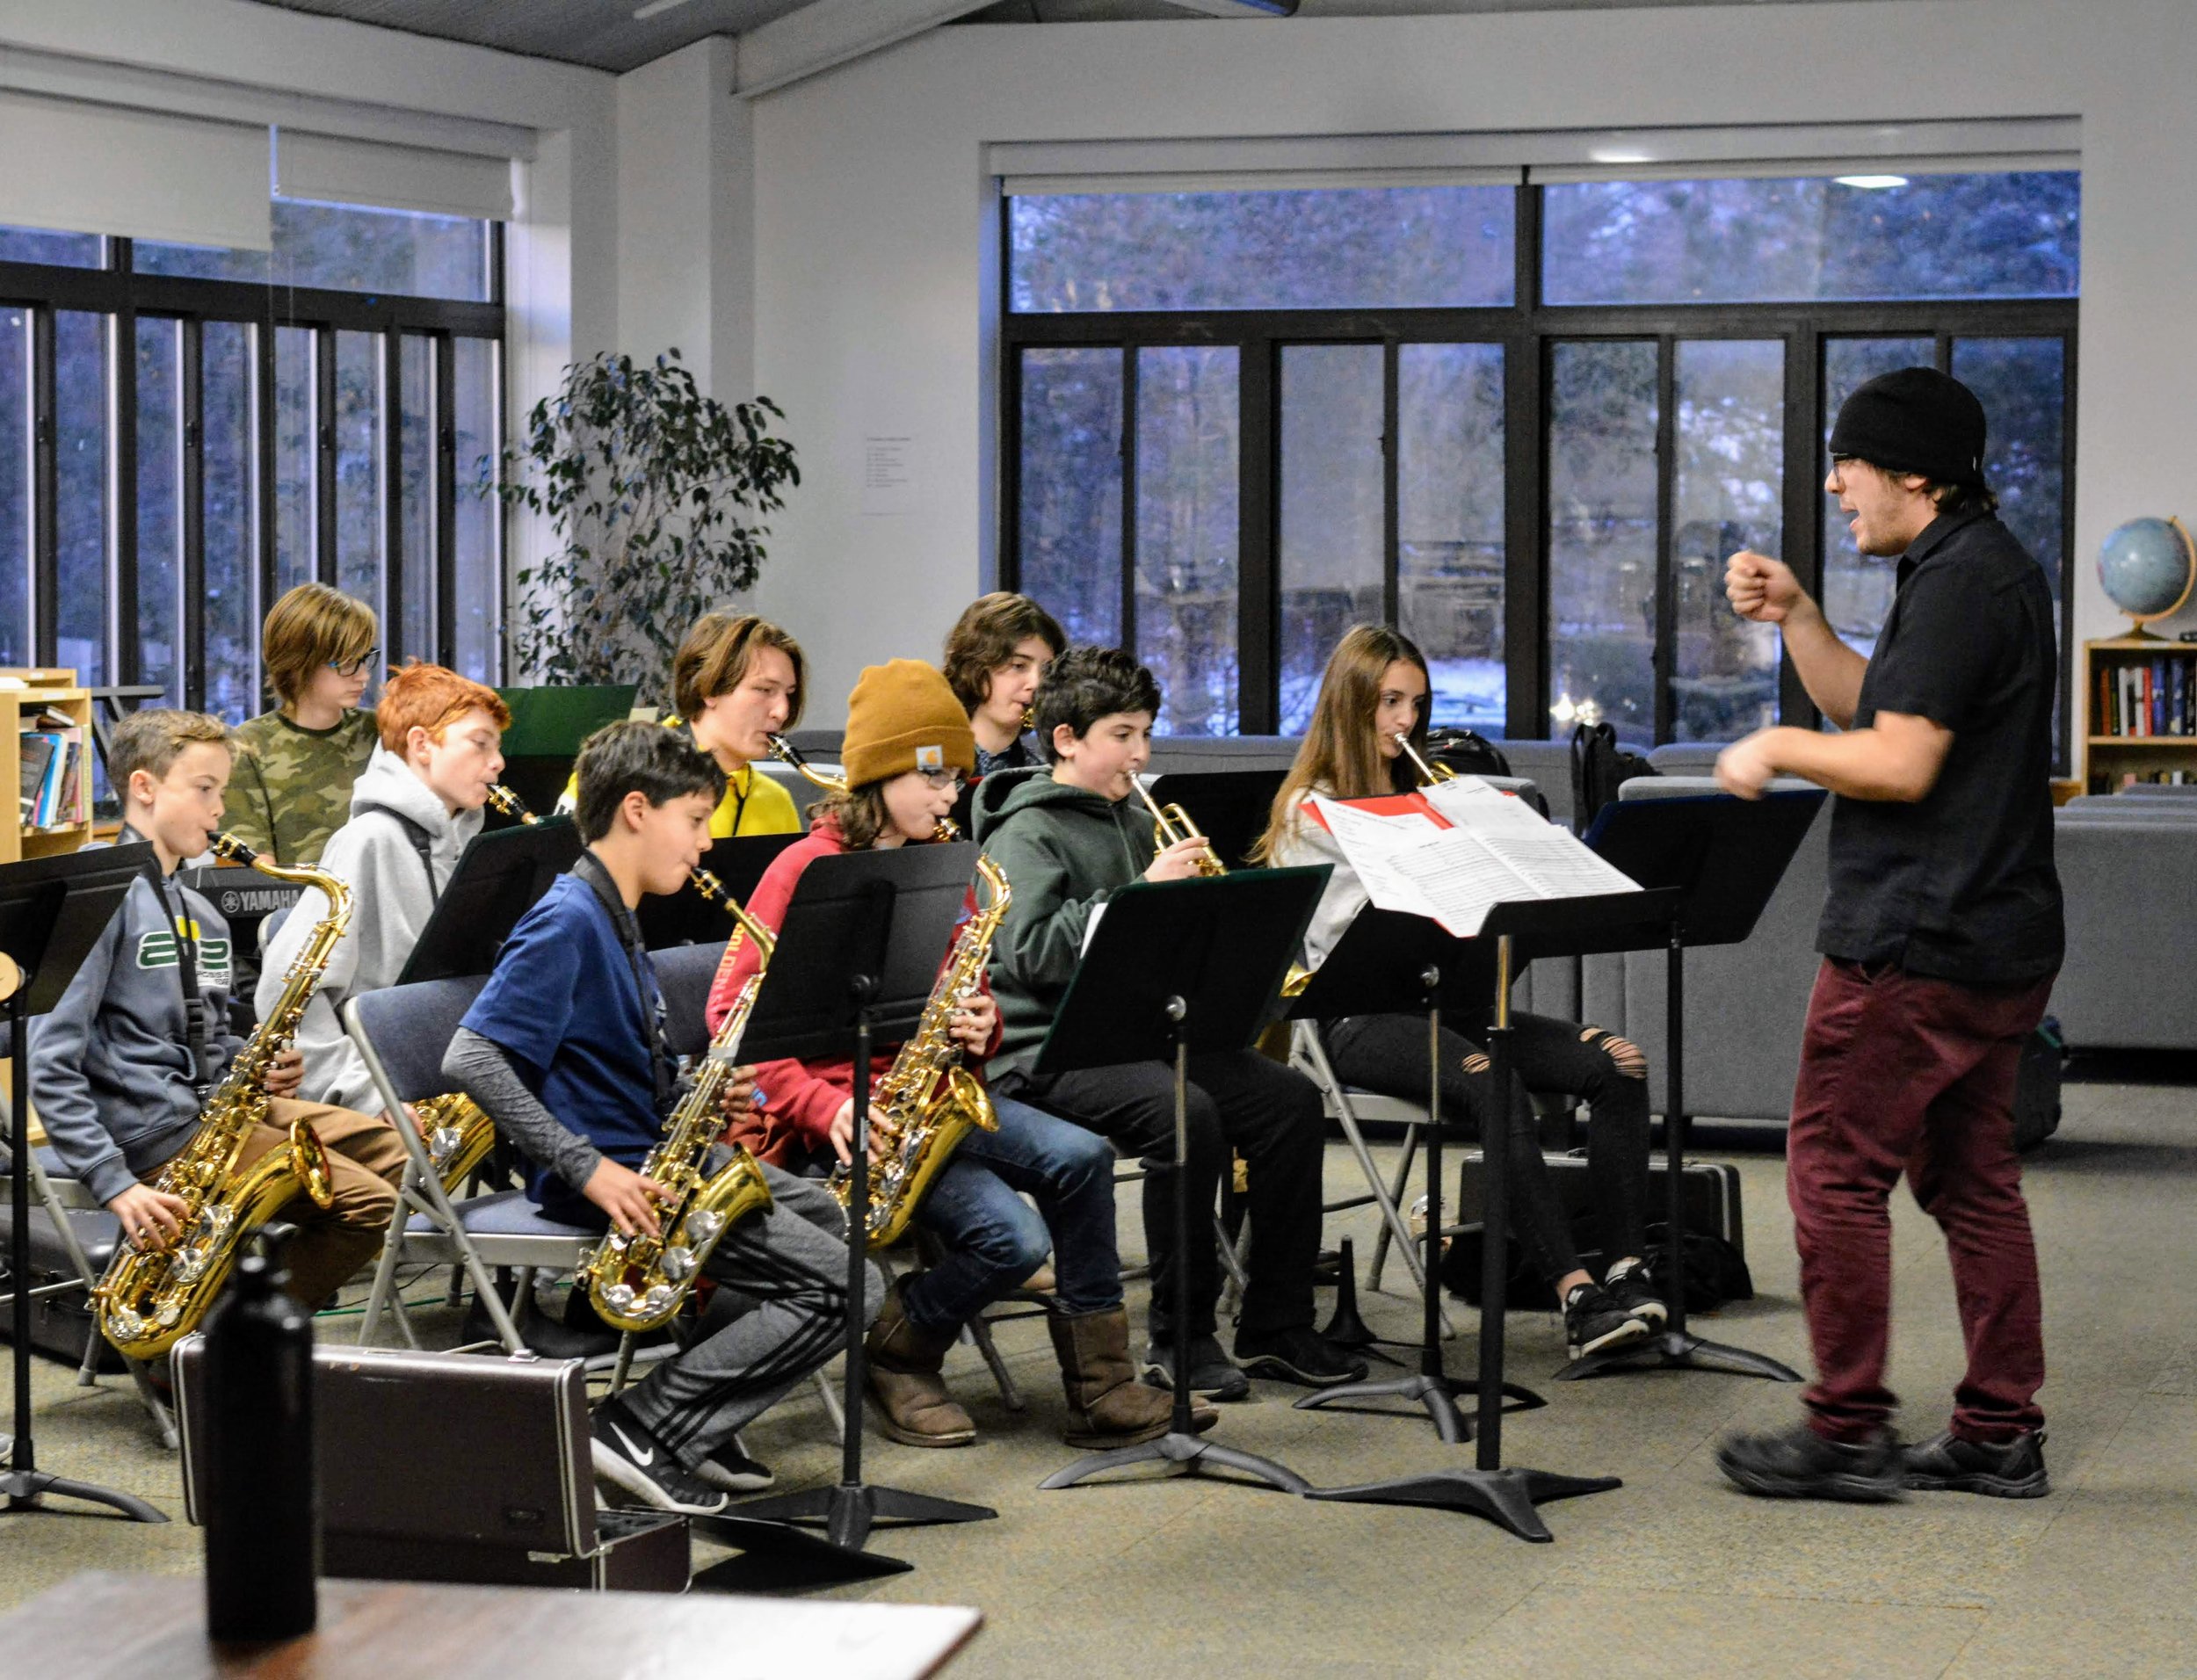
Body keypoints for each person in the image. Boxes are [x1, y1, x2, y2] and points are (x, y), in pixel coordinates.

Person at [1711, 367, 2061, 1503]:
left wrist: (1773, 748)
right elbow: (1881, 710)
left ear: (1916, 472)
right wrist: (1802, 619)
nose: (1834, 484)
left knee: (1831, 1174)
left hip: (1914, 937)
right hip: (1994, 931)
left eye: (1850, 464)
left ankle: (1848, 1424)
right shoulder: (1974, 569)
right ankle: (1999, 1430)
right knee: (1971, 1182)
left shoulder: (1963, 583)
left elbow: (1896, 764)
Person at [709, 658, 1185, 1452]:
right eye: (934, 776)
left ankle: (1103, 1387)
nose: (950, 795)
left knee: (1084, 1157)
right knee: (1014, 1242)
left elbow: (978, 979)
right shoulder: (803, 870)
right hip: (849, 1122)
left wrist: (980, 1024)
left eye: (958, 777)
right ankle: (903, 1346)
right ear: (879, 772)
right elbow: (733, 1018)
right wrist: (829, 1108)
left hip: (936, 1096)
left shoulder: (947, 862)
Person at [445, 721, 879, 1516]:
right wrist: (587, 1166)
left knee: (825, 1211)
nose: (708, 844)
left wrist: (693, 1091)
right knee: (854, 1290)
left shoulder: (615, 908)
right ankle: (641, 1426)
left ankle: (693, 1420)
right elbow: (471, 1058)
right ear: (637, 810)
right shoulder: (568, 918)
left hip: (651, 1156)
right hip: (616, 1178)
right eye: (696, 820)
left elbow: (602, 1061)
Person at [1256, 625, 1661, 1359]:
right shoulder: (1309, 809)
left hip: (1459, 1006)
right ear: (1350, 704)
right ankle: (1576, 1294)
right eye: (1387, 703)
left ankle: (1629, 1270)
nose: (1405, 722)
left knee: (1618, 1063)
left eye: (1415, 703)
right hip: (1359, 1017)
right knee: (1495, 1082)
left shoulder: (1429, 795)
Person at [980, 645, 1366, 1400]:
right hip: (1046, 1045)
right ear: (1067, 739)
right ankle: (1179, 1336)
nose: (1141, 754)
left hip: (1137, 1030)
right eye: (1122, 735)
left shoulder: (1131, 816)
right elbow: (1025, 953)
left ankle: (1275, 1325)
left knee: (1288, 1102)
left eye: (1145, 733)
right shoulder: (1025, 832)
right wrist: (1140, 900)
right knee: (1183, 1115)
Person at [32, 709, 404, 1321]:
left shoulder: (199, 913)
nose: (220, 810)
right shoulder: (95, 899)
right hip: (156, 1133)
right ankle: (224, 1332)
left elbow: (205, 1035)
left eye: (222, 791)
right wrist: (113, 1182)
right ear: (144, 788)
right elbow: (50, 1060)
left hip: (211, 1112)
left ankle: (225, 1299)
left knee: (396, 1153)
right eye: (204, 789)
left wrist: (254, 1064)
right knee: (370, 1204)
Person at [258, 663, 510, 1116]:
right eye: (480, 744)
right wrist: (364, 1095)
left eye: (497, 747)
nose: (498, 763)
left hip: (446, 1069)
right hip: (387, 1091)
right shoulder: (367, 840)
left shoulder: (470, 842)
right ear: (422, 745)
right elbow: (288, 990)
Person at [559, 612, 807, 837]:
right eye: (764, 690)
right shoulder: (618, 770)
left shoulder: (776, 802)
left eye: (789, 693)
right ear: (709, 689)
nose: (782, 712)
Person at [228, 583, 381, 865]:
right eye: (347, 663)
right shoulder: (247, 745)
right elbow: (258, 874)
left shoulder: (381, 732)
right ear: (299, 663)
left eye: (364, 659)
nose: (362, 676)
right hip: (295, 903)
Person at [942, 591, 1066, 778]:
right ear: (974, 667)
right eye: (1018, 666)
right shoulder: (932, 768)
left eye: (1046, 670)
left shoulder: (1044, 779)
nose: (1036, 683)